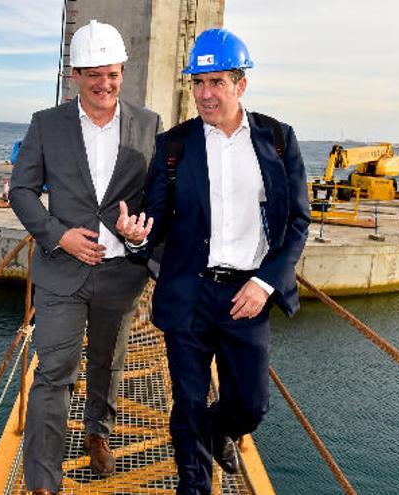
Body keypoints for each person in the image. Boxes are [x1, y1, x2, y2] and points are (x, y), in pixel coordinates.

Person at [116, 28, 310, 494]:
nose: (204, 94)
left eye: (216, 82)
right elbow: (153, 221)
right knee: (187, 401)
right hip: (188, 292)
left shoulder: (278, 140)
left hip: (248, 294)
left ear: (240, 85)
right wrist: (137, 237)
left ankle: (223, 428)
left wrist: (265, 283)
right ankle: (195, 487)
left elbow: (299, 223)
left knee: (251, 404)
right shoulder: (175, 145)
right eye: (197, 83)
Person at [9, 19, 162, 495]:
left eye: (112, 73)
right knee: (53, 373)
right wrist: (58, 236)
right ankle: (43, 481)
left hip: (122, 273)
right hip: (61, 271)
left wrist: (139, 235)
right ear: (74, 76)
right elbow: (21, 190)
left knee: (107, 361)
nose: (104, 83)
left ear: (123, 72)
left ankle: (99, 431)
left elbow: (157, 198)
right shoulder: (45, 124)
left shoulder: (149, 124)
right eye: (93, 74)